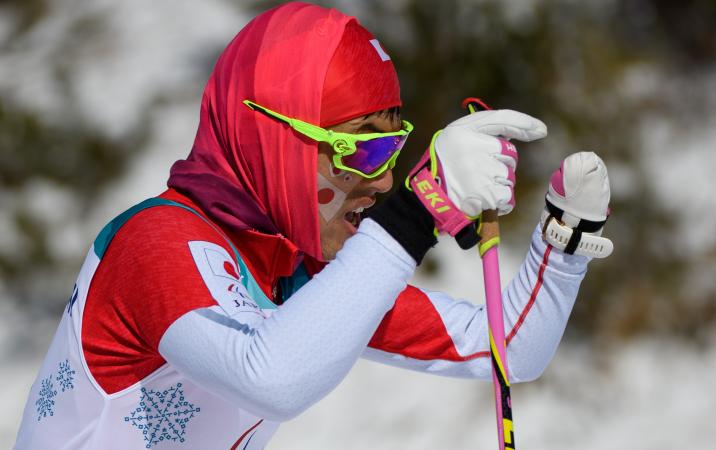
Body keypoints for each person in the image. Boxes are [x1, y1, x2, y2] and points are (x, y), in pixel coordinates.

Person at [15, 2, 612, 449]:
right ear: (274, 140)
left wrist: (563, 243)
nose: (381, 183)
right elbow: (270, 376)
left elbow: (510, 353)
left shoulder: (296, 272)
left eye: (391, 150)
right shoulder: (155, 243)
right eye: (363, 152)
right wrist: (418, 209)